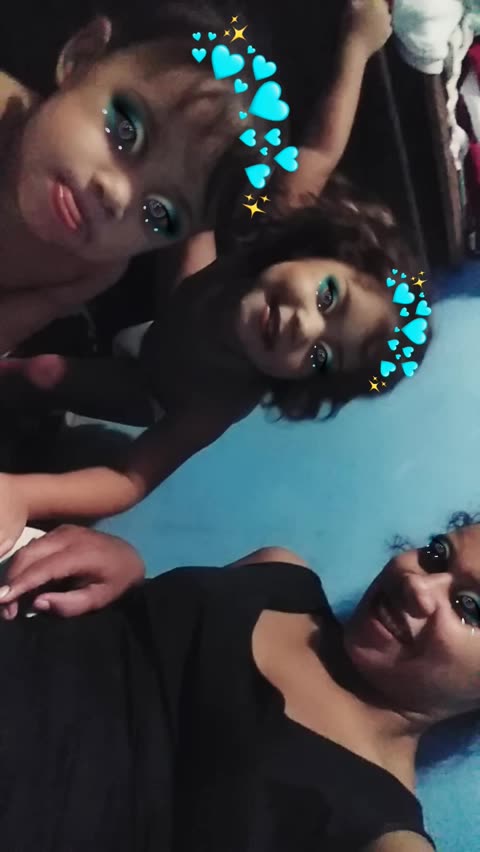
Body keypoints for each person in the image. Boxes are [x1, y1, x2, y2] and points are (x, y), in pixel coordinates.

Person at [0, 176, 430, 553]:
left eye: (321, 357)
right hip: (177, 306)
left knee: (43, 373)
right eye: (328, 297)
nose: (306, 328)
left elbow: (129, 480)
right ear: (314, 249)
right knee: (187, 214)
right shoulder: (245, 254)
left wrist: (24, 494)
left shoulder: (215, 402)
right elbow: (316, 153)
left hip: (151, 384)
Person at [1, 512, 477, 849]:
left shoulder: (380, 830)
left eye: (471, 607)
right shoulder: (284, 573)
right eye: (437, 555)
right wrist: (127, 568)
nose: (418, 583)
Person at [0, 0, 263, 354]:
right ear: (82, 58)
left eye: (158, 212)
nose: (117, 195)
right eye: (127, 132)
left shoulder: (95, 268)